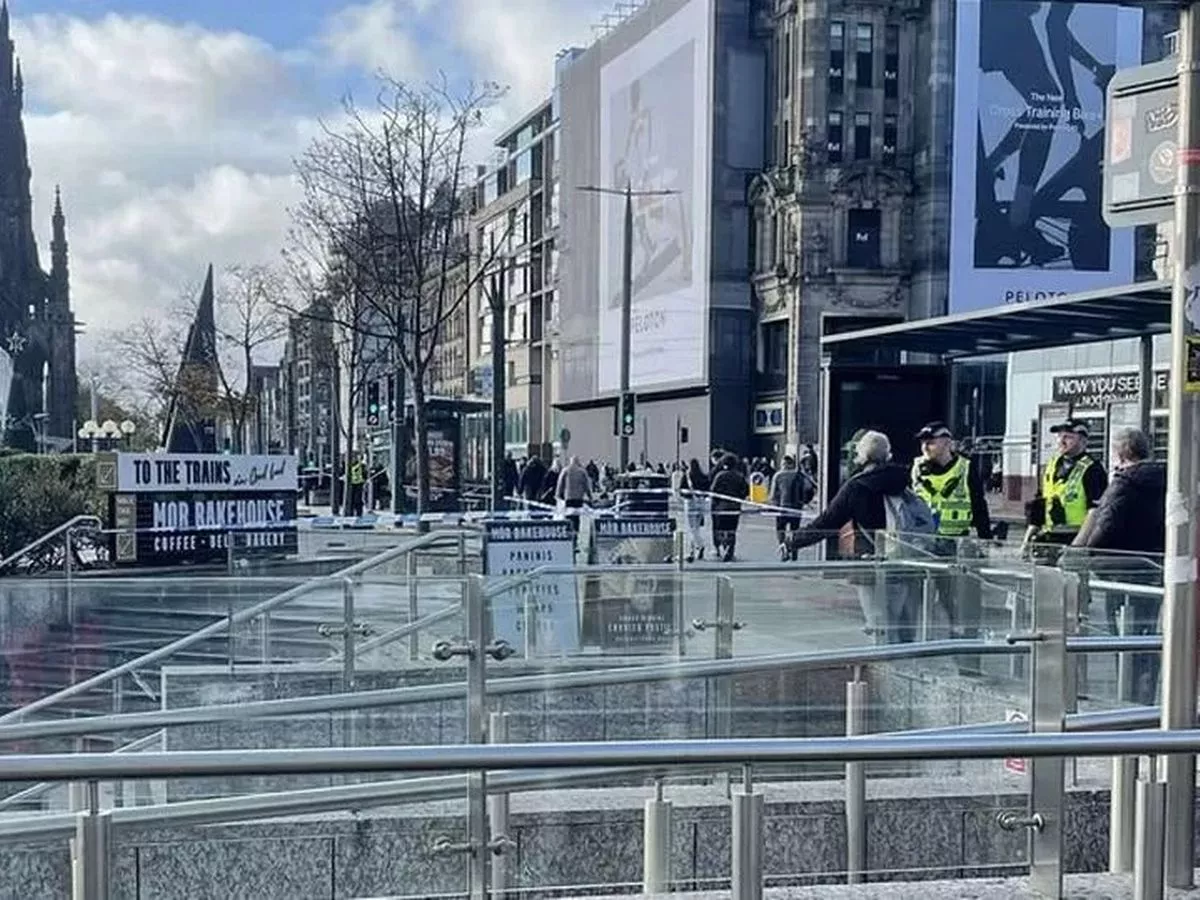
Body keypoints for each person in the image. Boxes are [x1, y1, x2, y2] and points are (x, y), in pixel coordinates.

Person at [789, 431, 918, 643]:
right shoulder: (904, 480)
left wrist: (793, 542)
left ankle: (885, 669)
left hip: (869, 561)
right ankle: (902, 663)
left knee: (877, 624)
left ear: (862, 455)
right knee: (898, 621)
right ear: (888, 454)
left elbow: (828, 521)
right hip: (902, 559)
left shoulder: (857, 486)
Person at [1070, 427, 1165, 704]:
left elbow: (1106, 526)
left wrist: (1085, 553)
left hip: (1120, 571)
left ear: (1120, 453)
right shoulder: (1166, 480)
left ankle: (1128, 698)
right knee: (1146, 635)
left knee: (1121, 635)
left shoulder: (1123, 484)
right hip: (1152, 568)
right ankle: (1145, 695)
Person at [910, 422, 994, 638]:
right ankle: (916, 641)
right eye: (923, 443)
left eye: (930, 442)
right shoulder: (917, 468)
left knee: (952, 597)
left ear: (947, 443)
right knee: (916, 596)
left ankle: (960, 636)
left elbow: (978, 504)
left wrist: (986, 540)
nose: (925, 447)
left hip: (955, 543)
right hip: (924, 543)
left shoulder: (965, 468)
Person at [1023, 418, 1108, 561]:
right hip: (1050, 538)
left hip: (1074, 538)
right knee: (1046, 581)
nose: (1061, 441)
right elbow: (1040, 503)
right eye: (1059, 436)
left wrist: (1076, 547)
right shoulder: (1052, 464)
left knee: (1072, 581)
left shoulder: (1092, 469)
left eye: (1068, 437)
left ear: (1082, 440)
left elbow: (1095, 511)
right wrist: (1027, 541)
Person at [710, 454, 749, 562]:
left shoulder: (720, 476)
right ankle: (730, 550)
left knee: (720, 529)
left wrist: (715, 503)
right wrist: (739, 498)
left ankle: (722, 545)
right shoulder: (739, 476)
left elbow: (713, 490)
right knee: (732, 530)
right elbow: (746, 491)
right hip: (734, 507)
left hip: (720, 507)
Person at [769, 455, 804, 560]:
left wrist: (773, 505)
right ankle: (794, 551)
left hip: (782, 508)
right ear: (792, 464)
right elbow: (806, 490)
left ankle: (784, 550)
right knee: (795, 530)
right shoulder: (799, 476)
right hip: (796, 508)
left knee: (780, 530)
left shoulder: (778, 476)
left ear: (783, 464)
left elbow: (773, 495)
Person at [681, 457, 711, 561]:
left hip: (691, 503)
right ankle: (692, 551)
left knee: (691, 528)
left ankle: (700, 545)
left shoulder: (687, 476)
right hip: (702, 504)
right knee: (697, 528)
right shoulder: (703, 476)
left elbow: (682, 490)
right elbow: (708, 490)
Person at [556, 456, 592, 533]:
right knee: (577, 515)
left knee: (568, 514)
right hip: (579, 497)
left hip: (568, 497)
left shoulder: (565, 470)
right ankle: (576, 530)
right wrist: (589, 496)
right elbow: (586, 485)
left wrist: (558, 494)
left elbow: (560, 483)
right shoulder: (582, 471)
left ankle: (569, 530)